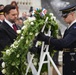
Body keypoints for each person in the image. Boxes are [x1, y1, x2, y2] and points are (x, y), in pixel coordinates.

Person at [36, 4, 76, 75]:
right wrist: (47, 44)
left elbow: (64, 43)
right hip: (69, 60)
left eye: (65, 16)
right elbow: (62, 46)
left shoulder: (74, 28)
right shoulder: (70, 28)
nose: (63, 18)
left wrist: (46, 38)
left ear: (72, 14)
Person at [0, 4, 18, 75]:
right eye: (13, 15)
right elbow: (7, 46)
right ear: (6, 15)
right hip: (6, 65)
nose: (16, 16)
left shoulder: (17, 27)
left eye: (16, 14)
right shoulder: (1, 29)